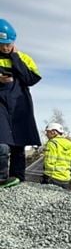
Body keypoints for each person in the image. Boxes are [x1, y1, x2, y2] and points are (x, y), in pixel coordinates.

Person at [0, 18, 42, 187]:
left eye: (8, 44)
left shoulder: (24, 57)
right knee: (2, 143)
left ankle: (18, 178)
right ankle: (1, 178)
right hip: (1, 104)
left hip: (20, 105)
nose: (5, 47)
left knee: (19, 141)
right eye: (1, 44)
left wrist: (15, 58)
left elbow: (31, 79)